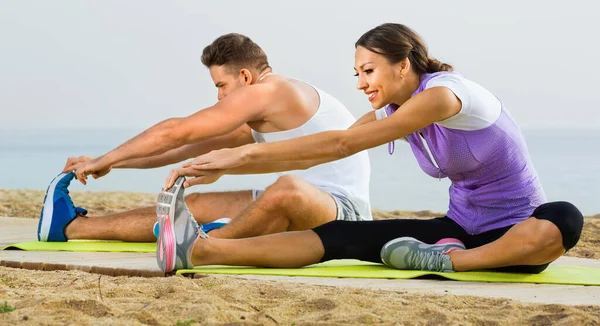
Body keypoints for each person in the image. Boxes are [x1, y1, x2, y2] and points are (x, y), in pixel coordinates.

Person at [156, 23, 583, 274]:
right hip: (460, 229)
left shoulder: (444, 95)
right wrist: (228, 163)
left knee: (563, 218)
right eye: (357, 72)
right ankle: (203, 250)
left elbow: (343, 140)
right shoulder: (396, 109)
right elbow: (322, 149)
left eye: (368, 70)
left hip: (518, 236)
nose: (360, 83)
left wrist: (242, 156)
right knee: (340, 236)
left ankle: (449, 263)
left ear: (403, 65)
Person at [37, 33, 372, 244]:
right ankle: (69, 228)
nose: (219, 98)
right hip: (306, 202)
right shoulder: (265, 115)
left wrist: (105, 159)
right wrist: (111, 162)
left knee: (287, 188)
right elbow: (181, 146)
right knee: (192, 205)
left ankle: (209, 242)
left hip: (343, 213)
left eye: (221, 86)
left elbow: (177, 129)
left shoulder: (272, 91)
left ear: (245, 76)